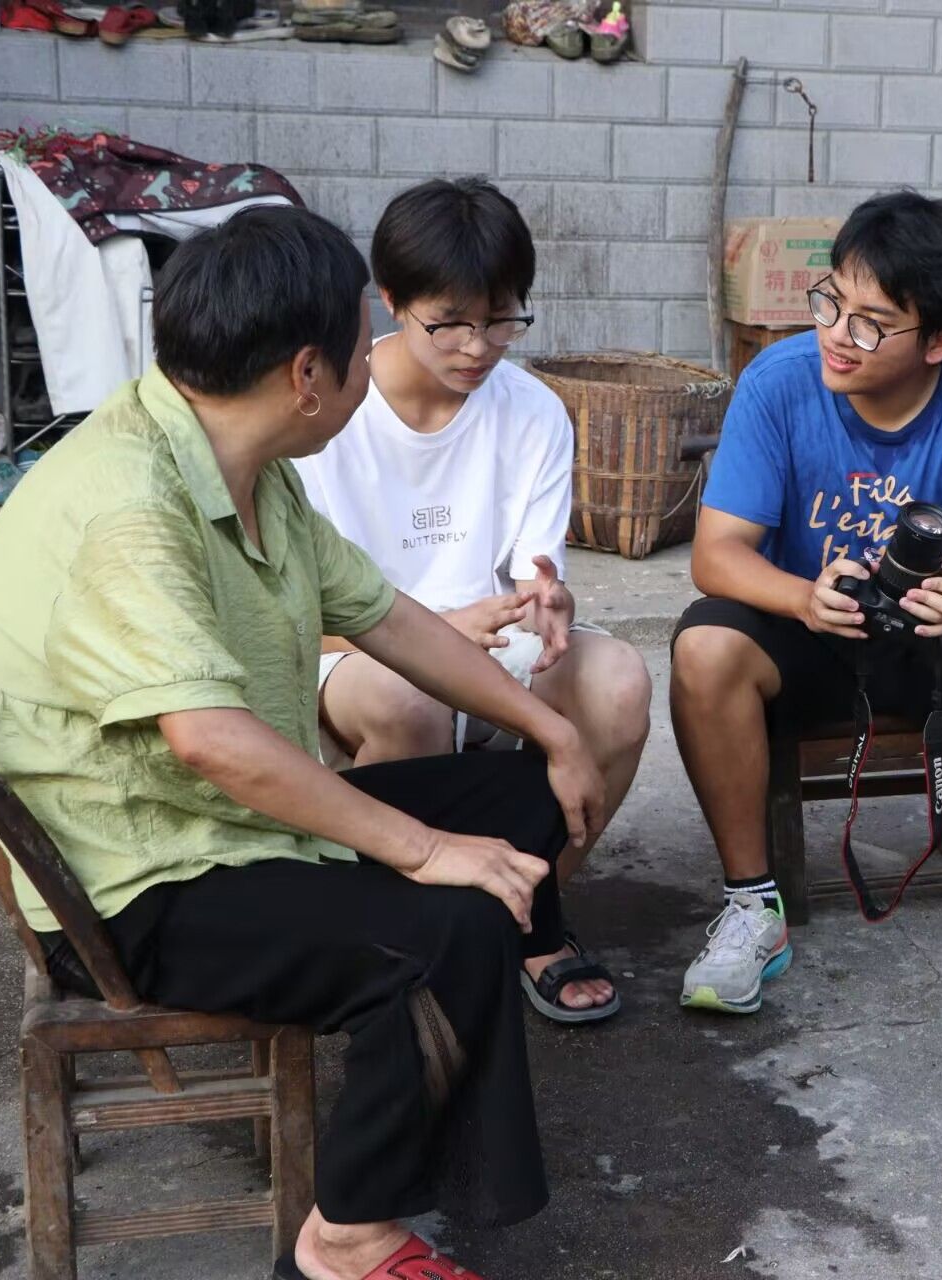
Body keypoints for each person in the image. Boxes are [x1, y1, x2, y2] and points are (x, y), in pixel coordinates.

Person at [0, 207, 599, 1280]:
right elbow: (212, 742)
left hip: (228, 823)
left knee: (525, 799)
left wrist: (552, 726)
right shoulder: (129, 503)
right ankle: (344, 1236)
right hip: (139, 880)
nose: (372, 367)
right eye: (362, 347)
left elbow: (386, 618)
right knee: (445, 934)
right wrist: (421, 848)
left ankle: (417, 1087)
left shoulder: (249, 464)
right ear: (310, 374)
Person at [669, 191, 942, 1014]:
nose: (837, 334)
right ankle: (751, 908)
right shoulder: (778, 383)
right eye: (831, 301)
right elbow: (714, 555)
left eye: (872, 323)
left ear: (941, 339)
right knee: (704, 646)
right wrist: (803, 598)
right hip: (810, 639)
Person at [294, 177, 651, 1025]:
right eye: (449, 322)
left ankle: (527, 918)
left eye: (501, 320)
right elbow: (298, 614)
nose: (478, 346)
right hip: (354, 653)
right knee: (411, 694)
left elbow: (532, 575)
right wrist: (435, 633)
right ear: (391, 301)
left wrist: (549, 601)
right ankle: (405, 934)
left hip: (488, 639)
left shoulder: (532, 409)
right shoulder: (328, 413)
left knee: (619, 683)